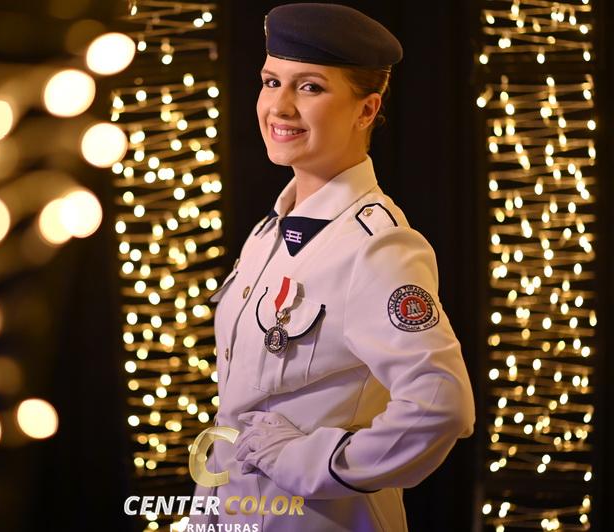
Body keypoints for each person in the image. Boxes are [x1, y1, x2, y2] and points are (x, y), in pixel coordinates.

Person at [187, 3, 475, 531]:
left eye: (310, 87)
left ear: (367, 110)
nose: (280, 106)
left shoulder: (377, 246)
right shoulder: (271, 231)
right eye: (271, 82)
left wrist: (312, 462)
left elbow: (441, 405)